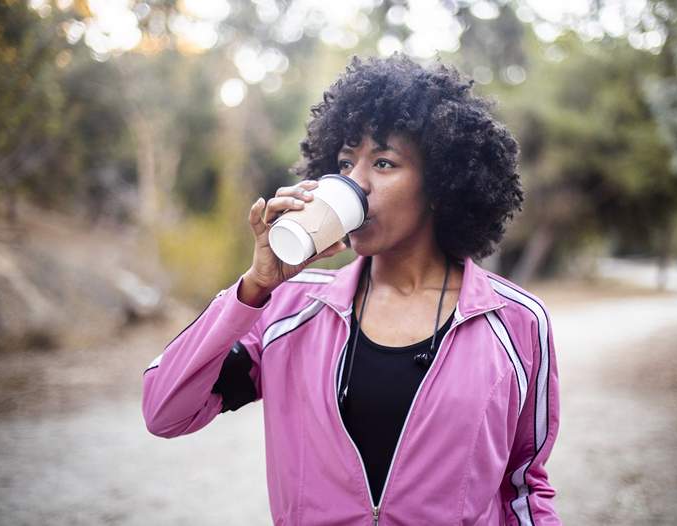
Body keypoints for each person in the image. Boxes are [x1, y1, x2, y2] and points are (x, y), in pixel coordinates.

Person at [142, 53, 561, 525]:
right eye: (344, 162)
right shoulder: (288, 309)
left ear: (441, 185)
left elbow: (525, 486)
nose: (353, 183)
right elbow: (165, 411)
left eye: (384, 162)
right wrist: (255, 287)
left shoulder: (516, 322)